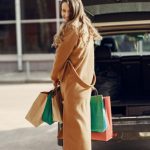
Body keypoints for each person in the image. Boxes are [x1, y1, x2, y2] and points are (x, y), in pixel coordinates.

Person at [50, 0, 102, 150]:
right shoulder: (86, 27)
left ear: (76, 10)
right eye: (63, 11)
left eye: (69, 11)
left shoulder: (72, 28)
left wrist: (54, 76)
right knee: (82, 126)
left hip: (73, 86)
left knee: (73, 128)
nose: (65, 15)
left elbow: (60, 57)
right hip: (84, 85)